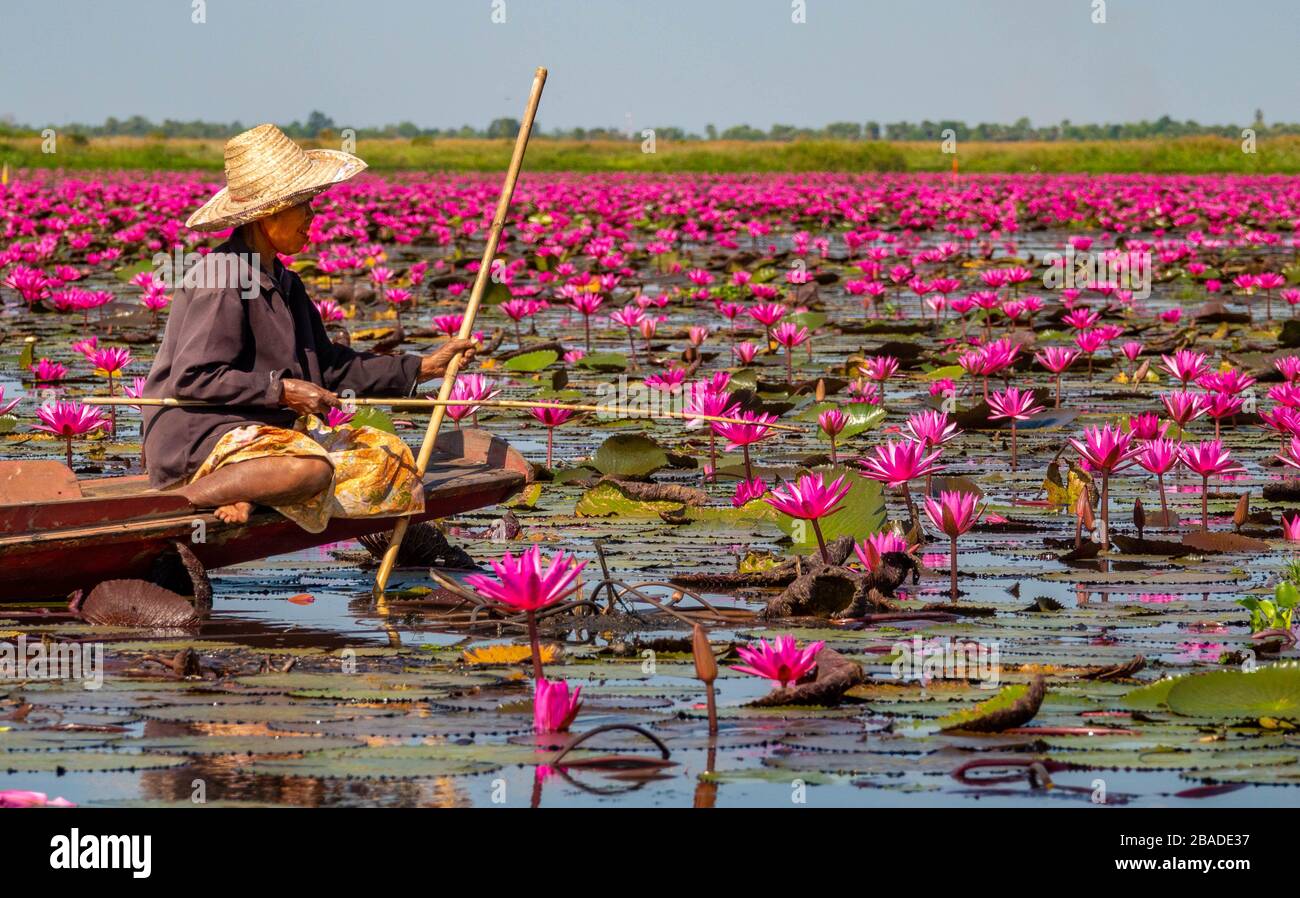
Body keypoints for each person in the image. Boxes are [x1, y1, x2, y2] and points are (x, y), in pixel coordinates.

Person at [141, 123, 475, 531]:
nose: (312, 216)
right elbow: (194, 379)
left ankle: (250, 487)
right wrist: (281, 390)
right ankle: (191, 498)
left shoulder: (284, 282)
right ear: (268, 212)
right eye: (303, 205)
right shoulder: (220, 277)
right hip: (200, 438)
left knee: (386, 456)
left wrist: (423, 367)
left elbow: (331, 367)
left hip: (261, 436)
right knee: (310, 472)